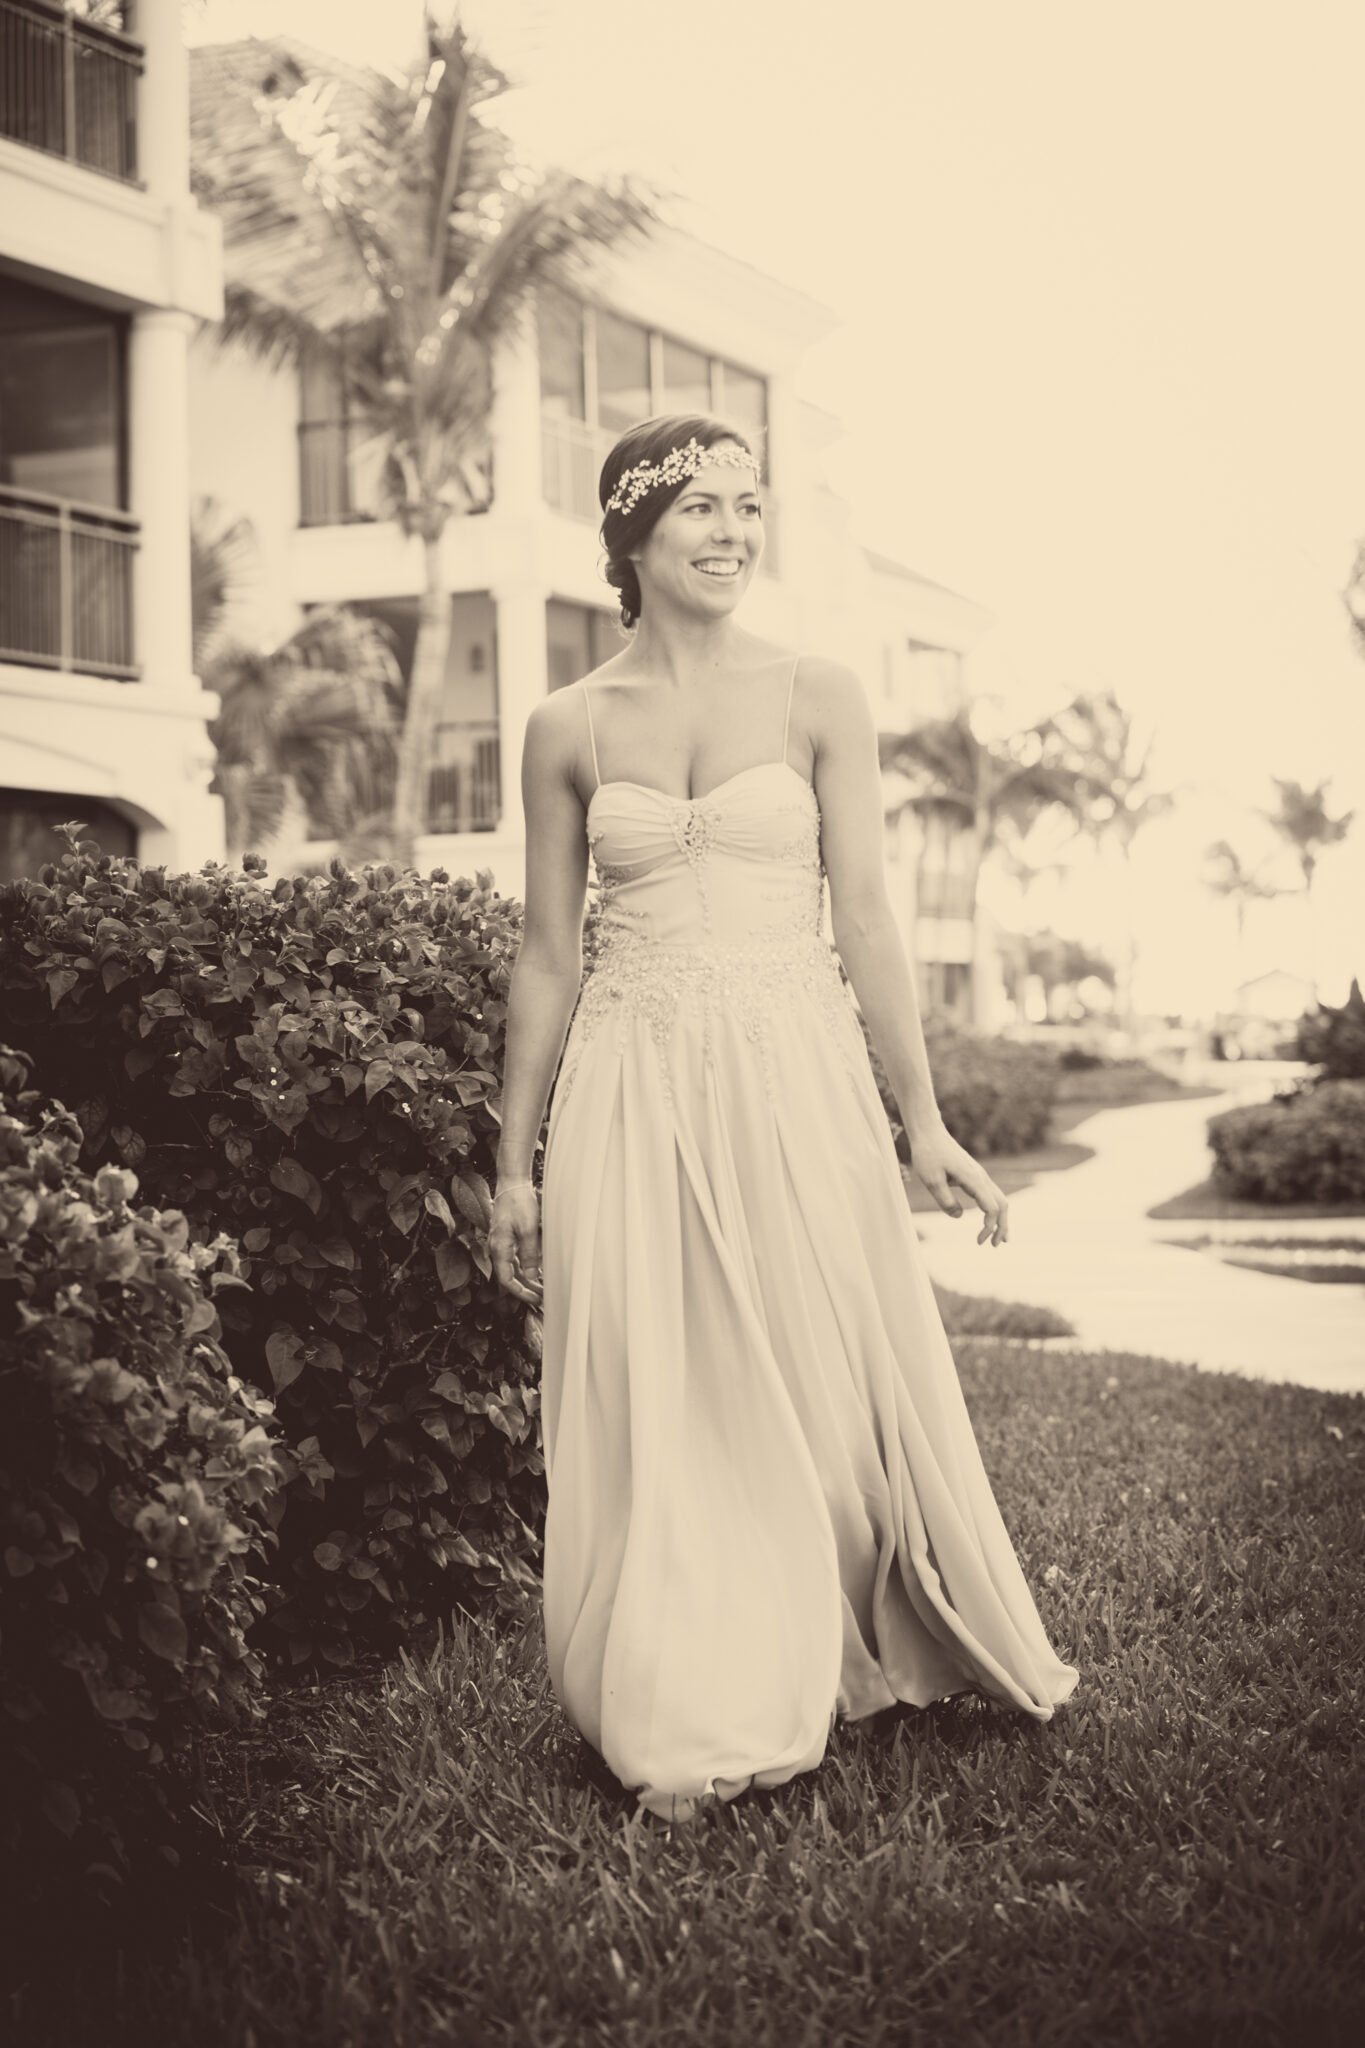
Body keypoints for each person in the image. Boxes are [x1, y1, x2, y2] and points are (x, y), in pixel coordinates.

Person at [490, 412, 1078, 1823]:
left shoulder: (820, 693)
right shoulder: (566, 726)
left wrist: (922, 1121)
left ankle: (843, 1621)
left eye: (749, 507)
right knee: (663, 1378)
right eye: (701, 506)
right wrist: (513, 1163)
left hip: (793, 1070)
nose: (733, 533)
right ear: (632, 533)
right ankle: (693, 1685)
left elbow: (865, 915)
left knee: (817, 1362)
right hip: (631, 1079)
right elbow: (548, 954)